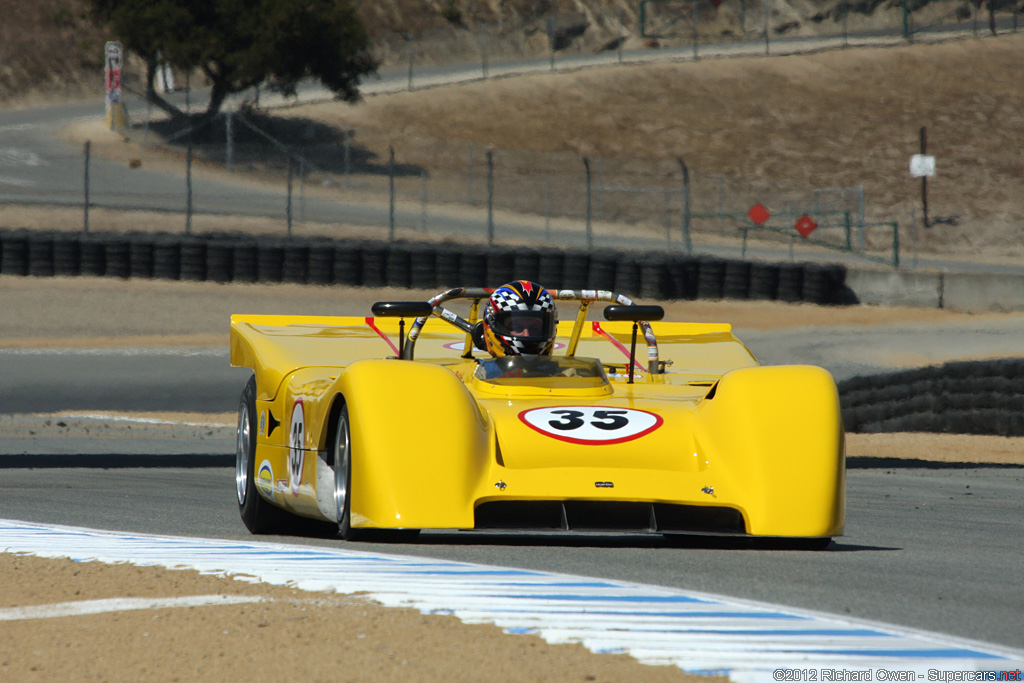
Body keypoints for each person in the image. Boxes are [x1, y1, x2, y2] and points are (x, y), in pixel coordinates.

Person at [479, 280, 558, 357]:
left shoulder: (563, 370)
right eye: (517, 327)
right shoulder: (476, 369)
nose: (527, 335)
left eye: (534, 328)